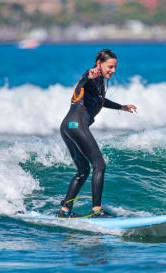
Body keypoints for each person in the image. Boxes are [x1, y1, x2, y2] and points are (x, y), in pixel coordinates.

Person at [58, 49, 137, 219]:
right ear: (99, 64)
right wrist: (89, 75)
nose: (113, 71)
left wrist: (121, 107)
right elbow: (82, 82)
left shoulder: (99, 83)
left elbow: (101, 100)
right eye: (110, 67)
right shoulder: (90, 75)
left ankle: (65, 210)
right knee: (99, 166)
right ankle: (96, 210)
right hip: (76, 125)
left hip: (67, 126)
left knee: (83, 171)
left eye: (115, 67)